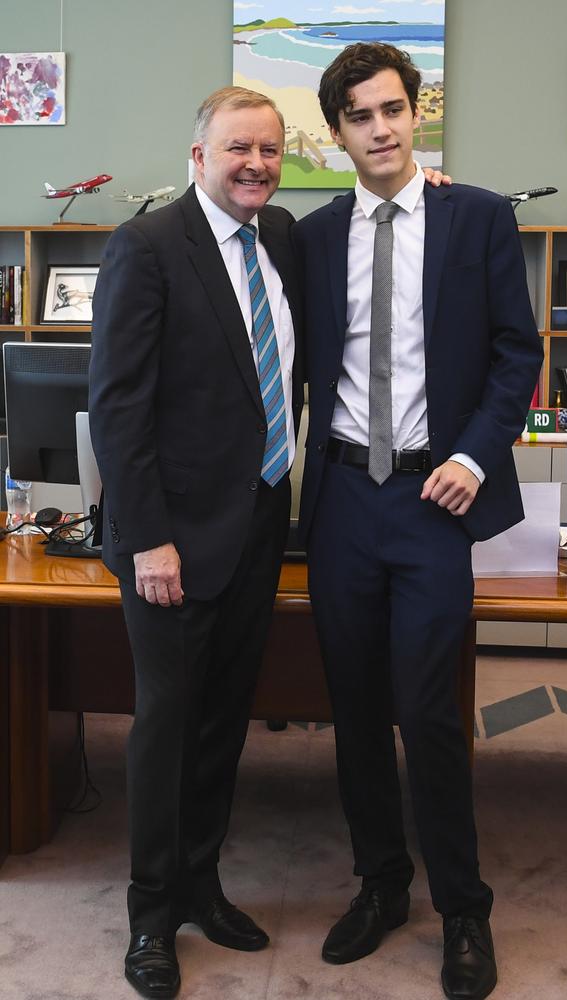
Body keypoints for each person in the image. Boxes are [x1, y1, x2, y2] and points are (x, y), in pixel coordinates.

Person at [293, 43, 543, 1000]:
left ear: (418, 114)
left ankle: (464, 911)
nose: (383, 128)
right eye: (361, 116)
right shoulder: (310, 236)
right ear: (338, 133)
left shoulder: (478, 217)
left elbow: (517, 353)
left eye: (395, 109)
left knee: (429, 712)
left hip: (439, 498)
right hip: (347, 496)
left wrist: (474, 457)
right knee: (352, 711)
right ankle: (381, 885)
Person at [89, 86, 304, 999]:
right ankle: (149, 919)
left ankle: (201, 884)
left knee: (224, 721)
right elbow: (119, 408)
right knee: (166, 726)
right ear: (198, 156)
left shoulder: (283, 235)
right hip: (170, 541)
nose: (255, 163)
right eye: (237, 149)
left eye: (269, 149)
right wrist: (148, 541)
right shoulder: (147, 247)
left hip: (260, 522)